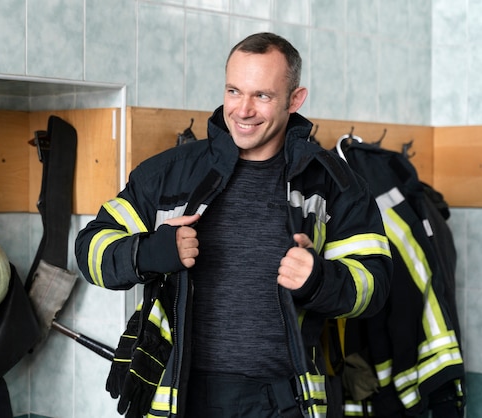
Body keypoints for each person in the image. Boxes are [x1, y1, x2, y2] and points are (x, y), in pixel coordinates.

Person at [75, 32, 393, 418]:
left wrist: (320, 280)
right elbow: (88, 251)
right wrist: (148, 252)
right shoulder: (169, 175)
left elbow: (374, 287)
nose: (243, 110)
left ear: (295, 99)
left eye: (262, 95)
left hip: (286, 401)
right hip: (184, 396)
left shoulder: (330, 183)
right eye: (233, 91)